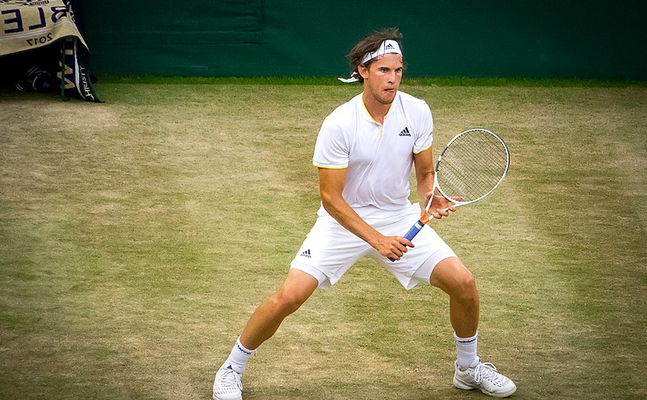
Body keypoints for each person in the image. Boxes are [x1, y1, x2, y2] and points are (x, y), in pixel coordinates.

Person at [212, 28, 516, 399]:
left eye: (398, 71)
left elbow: (424, 173)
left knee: (464, 284)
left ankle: (467, 369)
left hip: (396, 216)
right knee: (289, 297)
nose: (393, 79)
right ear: (363, 71)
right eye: (384, 71)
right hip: (343, 222)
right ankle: (231, 368)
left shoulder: (417, 111)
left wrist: (429, 197)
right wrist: (377, 239)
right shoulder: (339, 123)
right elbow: (330, 199)